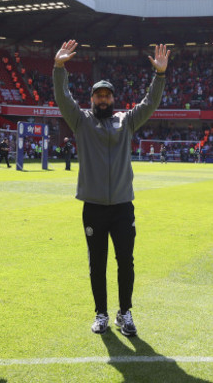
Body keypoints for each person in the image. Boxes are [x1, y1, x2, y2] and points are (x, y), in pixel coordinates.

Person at [53, 39, 169, 336]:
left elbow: (150, 103)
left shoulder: (126, 121)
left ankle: (125, 313)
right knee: (97, 264)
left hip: (121, 206)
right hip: (93, 207)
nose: (102, 100)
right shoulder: (80, 121)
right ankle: (101, 314)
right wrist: (59, 68)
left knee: (125, 263)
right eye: (98, 96)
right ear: (91, 99)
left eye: (107, 95)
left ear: (113, 98)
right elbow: (63, 97)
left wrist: (159, 76)